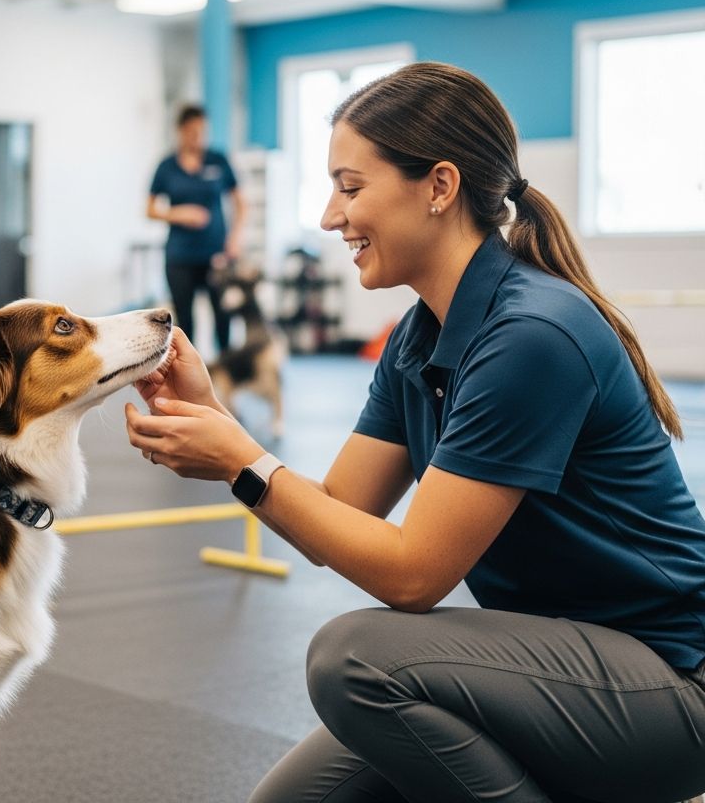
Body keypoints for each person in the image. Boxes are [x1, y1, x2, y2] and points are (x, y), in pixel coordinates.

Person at [125, 62, 705, 803]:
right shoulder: (416, 337)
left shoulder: (531, 334)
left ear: (438, 186)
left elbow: (413, 574)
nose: (332, 218)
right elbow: (338, 507)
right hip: (550, 666)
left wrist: (244, 461)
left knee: (354, 660)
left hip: (670, 687)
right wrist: (221, 426)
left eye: (350, 186)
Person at [147, 104, 246, 352]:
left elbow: (240, 203)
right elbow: (150, 209)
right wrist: (178, 213)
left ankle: (225, 380)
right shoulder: (167, 166)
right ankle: (189, 378)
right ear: (180, 131)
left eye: (203, 131)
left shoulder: (218, 160)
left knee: (223, 318)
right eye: (192, 131)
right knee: (185, 323)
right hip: (180, 257)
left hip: (216, 254)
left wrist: (235, 239)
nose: (198, 137)